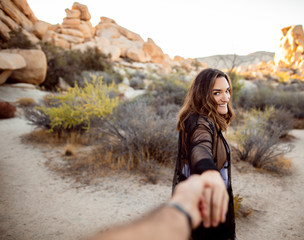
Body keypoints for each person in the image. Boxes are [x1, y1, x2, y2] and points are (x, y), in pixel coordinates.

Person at [172, 68, 236, 240]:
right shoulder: (200, 122)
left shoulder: (204, 119)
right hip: (205, 209)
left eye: (227, 91)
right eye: (217, 93)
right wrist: (209, 171)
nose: (226, 98)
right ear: (203, 95)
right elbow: (200, 149)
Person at [87, 174, 229, 240]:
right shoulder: (198, 121)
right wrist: (210, 170)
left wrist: (182, 208)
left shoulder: (214, 122)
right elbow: (200, 145)